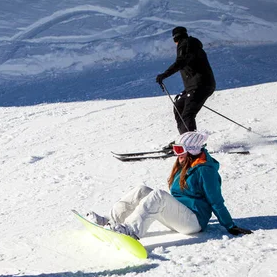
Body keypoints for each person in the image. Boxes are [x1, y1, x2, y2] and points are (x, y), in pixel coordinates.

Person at [86, 131, 252, 240]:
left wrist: (230, 226)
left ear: (192, 150)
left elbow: (216, 201)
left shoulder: (205, 170)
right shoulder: (185, 164)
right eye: (175, 149)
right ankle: (110, 221)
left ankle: (130, 231)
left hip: (193, 222)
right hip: (181, 215)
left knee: (159, 195)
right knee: (141, 190)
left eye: (179, 149)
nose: (176, 154)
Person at [156, 27, 216, 137]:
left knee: (188, 115)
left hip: (200, 85)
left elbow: (181, 62)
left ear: (175, 39)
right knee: (179, 106)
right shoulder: (191, 45)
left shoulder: (185, 45)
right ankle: (185, 138)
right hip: (198, 85)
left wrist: (164, 75)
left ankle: (192, 144)